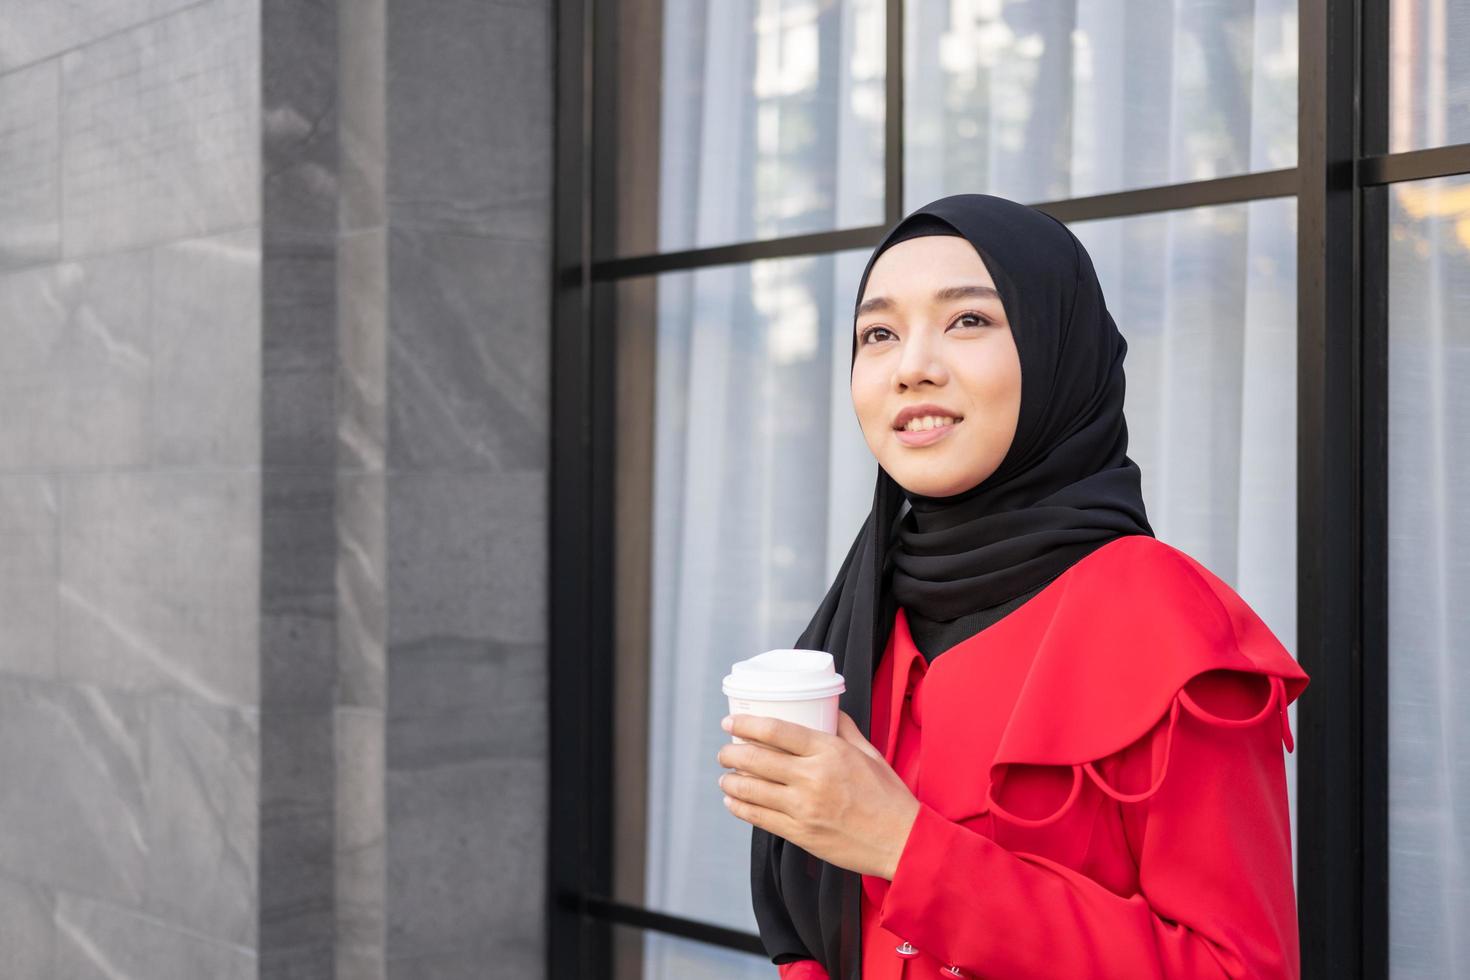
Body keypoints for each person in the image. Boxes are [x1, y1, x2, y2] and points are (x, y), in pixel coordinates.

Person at [714, 194, 1311, 979]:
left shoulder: (1164, 622)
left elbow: (1242, 971)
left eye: (968, 321)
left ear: (1057, 351)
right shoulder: (860, 617)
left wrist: (902, 844)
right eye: (879, 333)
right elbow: (818, 939)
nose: (912, 366)